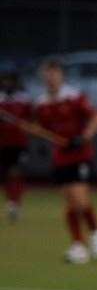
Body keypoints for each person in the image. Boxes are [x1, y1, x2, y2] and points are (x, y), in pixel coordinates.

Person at [34, 57, 97, 264]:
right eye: (47, 75)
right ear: (42, 77)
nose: (51, 78)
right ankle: (78, 245)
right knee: (69, 202)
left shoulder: (74, 97)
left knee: (80, 199)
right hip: (60, 157)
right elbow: (44, 130)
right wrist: (40, 135)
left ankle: (96, 231)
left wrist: (84, 136)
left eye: (54, 74)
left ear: (61, 76)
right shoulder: (41, 104)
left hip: (81, 155)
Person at [0, 68, 31, 222]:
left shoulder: (23, 100)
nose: (7, 84)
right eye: (5, 81)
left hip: (19, 143)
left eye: (10, 80)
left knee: (16, 172)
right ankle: (10, 202)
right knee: (6, 174)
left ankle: (15, 204)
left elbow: (32, 120)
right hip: (2, 143)